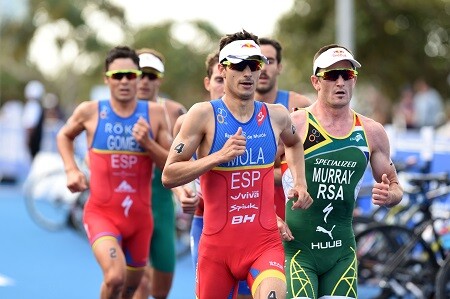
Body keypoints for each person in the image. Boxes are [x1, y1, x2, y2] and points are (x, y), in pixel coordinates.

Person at [161, 29, 312, 299]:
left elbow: (294, 143)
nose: (247, 73)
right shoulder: (202, 115)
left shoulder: (276, 115)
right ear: (223, 68)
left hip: (264, 242)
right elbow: (169, 175)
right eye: (238, 65)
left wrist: (299, 181)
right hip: (217, 249)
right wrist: (218, 156)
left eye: (254, 65)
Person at [281, 44, 404, 298]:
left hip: (341, 254)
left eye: (347, 75)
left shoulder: (371, 131)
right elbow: (254, 171)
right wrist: (269, 218)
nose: (340, 82)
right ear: (316, 81)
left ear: (354, 81)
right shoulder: (296, 123)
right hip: (298, 251)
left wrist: (390, 196)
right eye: (331, 75)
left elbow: (395, 185)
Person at [57, 46, 172, 299]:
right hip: (102, 214)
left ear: (138, 77)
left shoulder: (154, 114)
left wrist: (149, 144)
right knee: (114, 277)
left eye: (130, 75)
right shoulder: (90, 111)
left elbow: (170, 166)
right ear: (106, 78)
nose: (123, 81)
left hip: (141, 220)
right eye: (117, 75)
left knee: (129, 290)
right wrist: (71, 170)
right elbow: (64, 135)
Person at [132, 48, 187, 299]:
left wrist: (148, 143)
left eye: (151, 76)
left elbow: (178, 164)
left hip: (161, 205)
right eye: (140, 74)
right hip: (129, 206)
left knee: (161, 290)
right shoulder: (117, 110)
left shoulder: (174, 112)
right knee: (136, 283)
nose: (144, 81)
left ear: (159, 79)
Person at [256, 37, 312, 221]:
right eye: (258, 61)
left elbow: (309, 161)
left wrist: (256, 170)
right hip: (249, 201)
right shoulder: (235, 109)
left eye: (269, 61)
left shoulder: (299, 105)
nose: (263, 68)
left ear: (279, 66)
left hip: (290, 201)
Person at [22, 80, 45, 159]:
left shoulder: (33, 106)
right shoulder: (36, 106)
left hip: (32, 144)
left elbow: (30, 127)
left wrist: (26, 143)